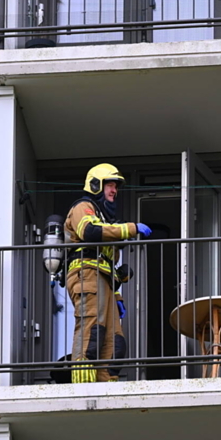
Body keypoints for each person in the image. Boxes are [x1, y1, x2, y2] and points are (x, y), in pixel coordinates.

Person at [64, 163, 152, 383]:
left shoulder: (103, 217)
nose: (114, 191)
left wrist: (117, 295)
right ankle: (82, 386)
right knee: (91, 331)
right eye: (110, 185)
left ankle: (105, 386)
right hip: (86, 276)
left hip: (104, 284)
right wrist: (130, 228)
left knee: (115, 342)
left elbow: (107, 265)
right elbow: (89, 231)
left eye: (116, 186)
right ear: (95, 185)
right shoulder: (84, 206)